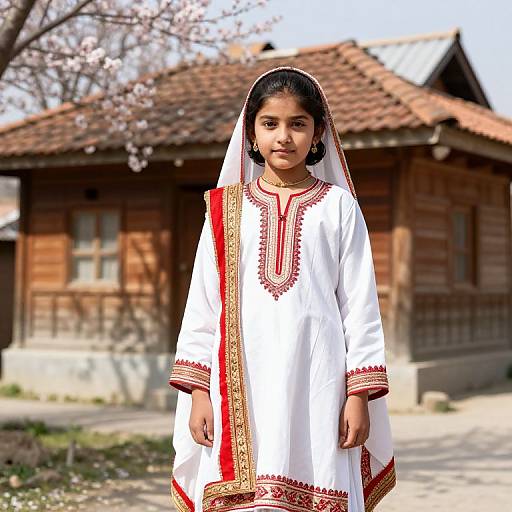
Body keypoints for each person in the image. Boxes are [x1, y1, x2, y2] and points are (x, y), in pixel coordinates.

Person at [169, 66, 396, 512]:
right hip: (239, 386)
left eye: (297, 124)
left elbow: (360, 307)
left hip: (319, 382)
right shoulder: (223, 210)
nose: (283, 137)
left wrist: (358, 395)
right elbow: (202, 304)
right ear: (251, 133)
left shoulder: (339, 207)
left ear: (317, 134)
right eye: (270, 124)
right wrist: (199, 392)